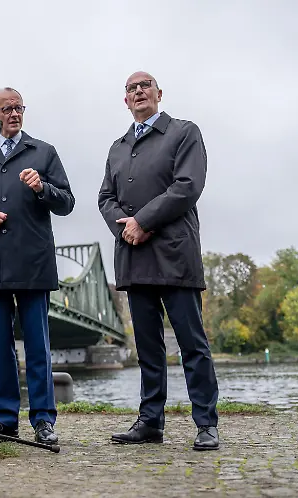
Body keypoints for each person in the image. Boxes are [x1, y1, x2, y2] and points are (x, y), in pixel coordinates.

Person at [97, 71, 220, 450]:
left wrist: (143, 221)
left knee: (191, 344)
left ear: (159, 93)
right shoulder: (117, 147)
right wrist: (126, 229)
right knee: (149, 349)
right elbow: (105, 198)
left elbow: (187, 186)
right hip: (133, 258)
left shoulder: (184, 132)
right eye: (131, 89)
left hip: (174, 256)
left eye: (144, 86)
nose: (138, 92)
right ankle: (150, 421)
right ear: (125, 101)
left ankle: (206, 423)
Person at [0, 87, 75, 445]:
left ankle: (43, 421)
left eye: (19, 107)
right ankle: (5, 418)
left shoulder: (43, 152)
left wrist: (43, 189)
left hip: (33, 263)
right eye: (7, 109)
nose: (14, 114)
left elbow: (66, 203)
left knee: (37, 345)